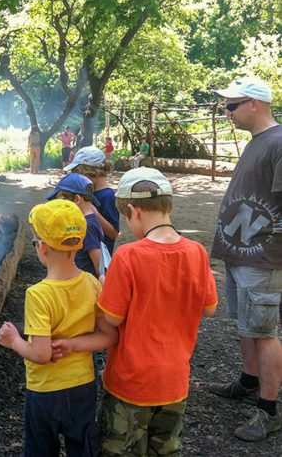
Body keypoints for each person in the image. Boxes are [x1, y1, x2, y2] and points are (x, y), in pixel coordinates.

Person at [54, 167, 217, 455]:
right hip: (175, 381)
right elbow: (210, 308)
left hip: (131, 383)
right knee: (165, 449)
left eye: (128, 219)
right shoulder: (197, 252)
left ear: (133, 210)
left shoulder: (128, 256)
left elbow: (113, 318)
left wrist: (104, 290)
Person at [0, 199, 118, 456]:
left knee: (41, 448)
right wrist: (74, 344)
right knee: (82, 445)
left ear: (41, 248)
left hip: (45, 391)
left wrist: (14, 341)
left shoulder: (38, 295)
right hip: (83, 386)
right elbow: (109, 335)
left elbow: (41, 355)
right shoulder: (92, 283)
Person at [208, 77, 282, 441]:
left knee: (265, 332)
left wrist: (268, 246)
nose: (227, 112)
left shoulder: (279, 142)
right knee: (244, 325)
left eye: (232, 105)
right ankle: (249, 382)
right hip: (240, 254)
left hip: (262, 258)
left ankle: (268, 410)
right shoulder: (259, 141)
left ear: (255, 103)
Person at [65, 146, 120, 254]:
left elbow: (113, 233)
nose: (78, 178)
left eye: (80, 174)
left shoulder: (107, 196)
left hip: (97, 258)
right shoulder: (88, 191)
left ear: (94, 171)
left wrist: (94, 214)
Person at [46, 174, 103, 277]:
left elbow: (100, 268)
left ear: (77, 199)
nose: (60, 206)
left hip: (83, 286)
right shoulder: (86, 221)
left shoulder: (88, 226)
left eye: (62, 201)